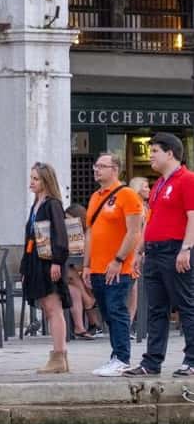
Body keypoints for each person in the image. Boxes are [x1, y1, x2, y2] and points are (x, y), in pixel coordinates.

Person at [125, 133, 194, 377]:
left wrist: (186, 248)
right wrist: (140, 250)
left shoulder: (187, 179)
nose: (151, 156)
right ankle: (152, 362)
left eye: (155, 151)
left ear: (170, 153)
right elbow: (152, 220)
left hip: (174, 249)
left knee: (186, 305)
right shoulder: (159, 184)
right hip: (154, 251)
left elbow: (193, 216)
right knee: (156, 309)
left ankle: (192, 360)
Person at [83, 153, 144, 376]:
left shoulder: (127, 195)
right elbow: (90, 232)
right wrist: (87, 264)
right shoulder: (95, 197)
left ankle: (121, 358)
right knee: (108, 313)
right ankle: (116, 355)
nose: (96, 170)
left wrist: (119, 259)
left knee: (117, 310)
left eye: (102, 166)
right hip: (98, 266)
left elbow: (134, 232)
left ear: (115, 169)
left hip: (118, 267)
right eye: (96, 166)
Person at [21, 162, 71, 374]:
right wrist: (25, 268)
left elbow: (60, 234)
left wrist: (57, 261)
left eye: (36, 179)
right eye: (31, 178)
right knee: (48, 307)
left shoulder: (52, 204)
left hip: (48, 260)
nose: (32, 182)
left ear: (46, 181)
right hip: (35, 259)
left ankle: (58, 355)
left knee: (53, 307)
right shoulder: (36, 204)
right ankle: (60, 356)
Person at [63, 203, 102, 340]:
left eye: (70, 219)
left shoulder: (91, 233)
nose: (68, 222)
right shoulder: (67, 234)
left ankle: (90, 321)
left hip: (91, 271)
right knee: (72, 282)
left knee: (72, 276)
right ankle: (87, 319)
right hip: (76, 273)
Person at [127, 176, 152, 325]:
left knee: (136, 287)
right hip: (136, 249)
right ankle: (129, 322)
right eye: (145, 187)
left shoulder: (144, 206)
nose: (149, 190)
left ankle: (131, 322)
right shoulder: (137, 206)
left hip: (140, 249)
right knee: (134, 288)